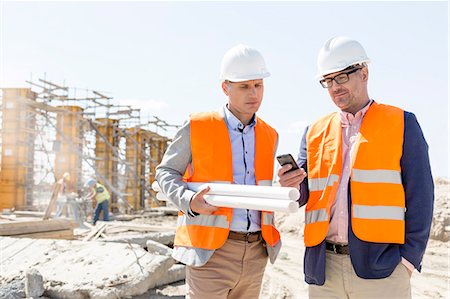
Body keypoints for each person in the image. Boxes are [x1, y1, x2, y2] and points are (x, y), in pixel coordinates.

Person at [278, 36, 434, 298]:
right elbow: (306, 193)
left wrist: (408, 260)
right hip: (323, 269)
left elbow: (422, 197)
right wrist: (291, 184)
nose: (334, 87)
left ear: (364, 73)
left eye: (341, 77)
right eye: (327, 81)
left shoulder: (402, 123)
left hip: (382, 270)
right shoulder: (314, 131)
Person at [156, 44, 281, 299]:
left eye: (258, 85)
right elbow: (166, 172)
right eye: (245, 86)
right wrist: (191, 201)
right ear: (225, 87)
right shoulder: (198, 126)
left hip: (256, 251)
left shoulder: (270, 135)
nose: (254, 93)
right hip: (211, 252)